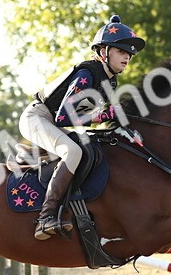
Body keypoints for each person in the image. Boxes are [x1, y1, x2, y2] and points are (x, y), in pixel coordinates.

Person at [19, 14, 145, 239]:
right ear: (103, 52)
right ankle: (46, 217)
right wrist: (104, 115)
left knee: (93, 146)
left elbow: (97, 116)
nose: (128, 56)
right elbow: (64, 117)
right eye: (121, 51)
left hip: (52, 121)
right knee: (73, 151)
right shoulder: (87, 73)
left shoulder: (109, 80)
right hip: (37, 117)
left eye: (130, 53)